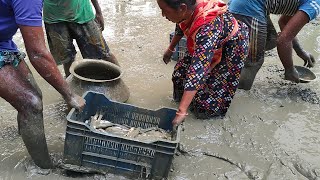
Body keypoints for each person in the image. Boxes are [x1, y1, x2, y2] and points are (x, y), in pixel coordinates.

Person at [0, 0, 85, 169]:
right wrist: (70, 95)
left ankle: (24, 136)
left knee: (35, 94)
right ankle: (44, 168)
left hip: (3, 42)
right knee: (31, 103)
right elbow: (38, 54)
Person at [158, 0, 249, 125]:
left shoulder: (207, 25)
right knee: (180, 74)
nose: (163, 15)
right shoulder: (187, 12)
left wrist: (181, 112)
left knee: (208, 103)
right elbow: (180, 25)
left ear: (182, 8)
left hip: (231, 46)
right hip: (205, 42)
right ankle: (185, 101)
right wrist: (170, 49)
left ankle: (205, 115)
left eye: (165, 10)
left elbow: (198, 70)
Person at [228, 0, 319, 90]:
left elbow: (284, 23)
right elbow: (283, 40)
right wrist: (289, 69)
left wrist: (300, 51)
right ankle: (235, 92)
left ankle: (233, 61)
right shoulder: (315, 4)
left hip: (241, 4)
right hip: (247, 7)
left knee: (270, 40)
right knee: (254, 63)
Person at [43, 0, 119, 77]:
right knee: (67, 59)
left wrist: (98, 12)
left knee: (103, 54)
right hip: (53, 18)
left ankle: (120, 81)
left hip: (82, 13)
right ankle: (71, 84)